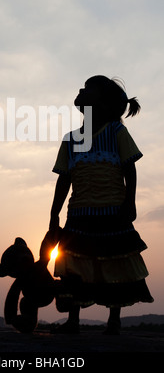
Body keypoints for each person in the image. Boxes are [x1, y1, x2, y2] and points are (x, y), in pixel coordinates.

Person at [49, 75, 153, 334]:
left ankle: (114, 320)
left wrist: (131, 202)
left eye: (87, 89)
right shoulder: (71, 139)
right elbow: (64, 179)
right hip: (78, 213)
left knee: (114, 262)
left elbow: (130, 168)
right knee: (74, 266)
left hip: (113, 212)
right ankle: (73, 321)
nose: (81, 90)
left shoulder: (116, 132)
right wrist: (54, 214)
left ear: (103, 103)